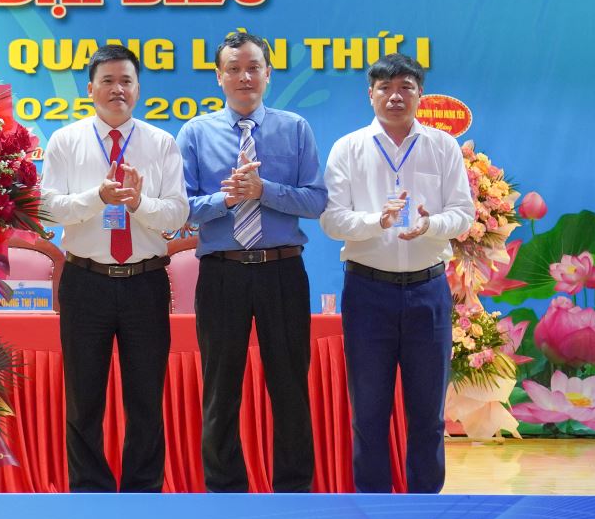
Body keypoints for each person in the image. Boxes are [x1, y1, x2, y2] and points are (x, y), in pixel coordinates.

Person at [177, 33, 327, 493]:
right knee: (221, 389)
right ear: (219, 76)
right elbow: (180, 209)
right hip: (222, 272)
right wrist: (225, 199)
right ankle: (225, 492)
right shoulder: (195, 133)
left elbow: (316, 201)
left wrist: (265, 192)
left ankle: (294, 492)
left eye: (253, 67)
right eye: (234, 69)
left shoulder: (294, 128)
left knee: (290, 386)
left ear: (268, 73)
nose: (244, 77)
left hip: (282, 270)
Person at [40, 46, 190, 492]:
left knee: (146, 398)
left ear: (138, 89)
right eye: (107, 80)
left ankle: (143, 492)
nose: (117, 89)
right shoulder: (65, 141)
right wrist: (97, 198)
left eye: (126, 81)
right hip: (86, 282)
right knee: (83, 399)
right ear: (90, 89)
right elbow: (48, 209)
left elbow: (177, 213)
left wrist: (139, 203)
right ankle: (90, 491)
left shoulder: (161, 143)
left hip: (145, 282)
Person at [322, 54, 473, 493]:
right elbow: (332, 220)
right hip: (368, 291)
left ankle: (425, 505)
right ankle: (374, 507)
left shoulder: (442, 146)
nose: (395, 96)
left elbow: (463, 214)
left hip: (428, 290)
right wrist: (376, 221)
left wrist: (431, 224)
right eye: (384, 88)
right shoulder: (348, 148)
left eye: (405, 87)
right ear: (369, 94)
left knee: (428, 413)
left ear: (420, 94)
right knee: (369, 412)